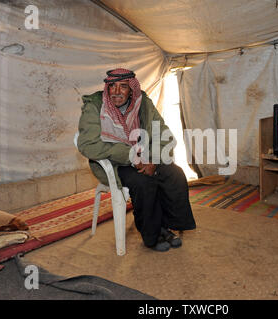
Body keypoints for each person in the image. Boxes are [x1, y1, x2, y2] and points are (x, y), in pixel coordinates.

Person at [77, 68, 196, 252]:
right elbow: (88, 145)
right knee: (144, 182)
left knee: (175, 174)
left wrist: (154, 160)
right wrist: (130, 156)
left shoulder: (143, 103)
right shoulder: (94, 106)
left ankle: (166, 226)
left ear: (132, 90)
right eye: (112, 87)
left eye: (123, 87)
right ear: (107, 88)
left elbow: (164, 134)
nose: (116, 92)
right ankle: (152, 235)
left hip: (146, 156)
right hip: (114, 163)